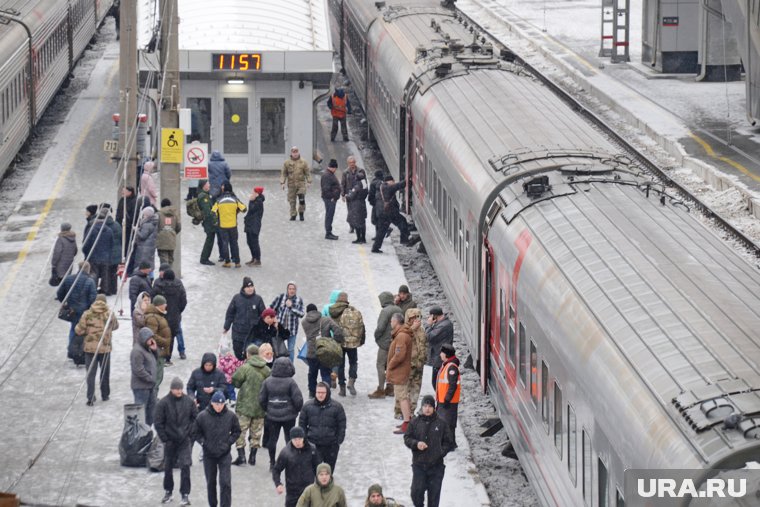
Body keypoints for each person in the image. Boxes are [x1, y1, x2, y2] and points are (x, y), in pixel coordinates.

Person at [403, 395, 455, 507]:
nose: (427, 409)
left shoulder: (441, 423)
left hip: (436, 467)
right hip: (419, 465)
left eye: (430, 406)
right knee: (416, 494)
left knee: (433, 500)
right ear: (421, 407)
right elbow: (407, 438)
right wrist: (416, 444)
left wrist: (440, 451)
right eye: (425, 406)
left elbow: (449, 442)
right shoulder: (415, 422)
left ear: (434, 408)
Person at [193, 392, 241, 507]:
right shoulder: (203, 416)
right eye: (216, 404)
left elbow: (237, 431)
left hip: (224, 454)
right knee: (211, 482)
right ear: (212, 403)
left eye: (222, 404)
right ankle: (213, 504)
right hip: (209, 455)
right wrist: (204, 443)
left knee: (225, 483)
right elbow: (195, 432)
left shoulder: (230, 416)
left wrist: (228, 443)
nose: (219, 407)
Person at [155, 377, 197, 506]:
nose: (178, 391)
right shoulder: (163, 403)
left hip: (185, 440)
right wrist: (165, 438)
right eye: (176, 389)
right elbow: (158, 422)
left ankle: (185, 494)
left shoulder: (189, 402)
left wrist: (190, 435)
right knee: (168, 467)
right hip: (170, 441)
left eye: (180, 389)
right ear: (171, 389)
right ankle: (168, 491)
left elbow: (195, 419)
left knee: (185, 466)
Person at [259, 357, 304, 469]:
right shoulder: (291, 382)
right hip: (289, 416)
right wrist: (295, 410)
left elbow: (261, 399)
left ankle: (272, 462)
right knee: (289, 439)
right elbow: (298, 400)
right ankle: (290, 460)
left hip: (272, 416)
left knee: (272, 440)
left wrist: (268, 409)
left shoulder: (267, 381)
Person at [75, 294, 118, 405]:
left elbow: (79, 330)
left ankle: (90, 397)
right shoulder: (109, 313)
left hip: (90, 349)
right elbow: (115, 326)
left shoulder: (87, 314)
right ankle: (105, 395)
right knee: (104, 372)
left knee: (90, 374)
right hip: (105, 348)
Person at [232, 344, 270, 466]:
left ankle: (241, 456)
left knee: (240, 432)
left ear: (248, 354)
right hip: (260, 407)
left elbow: (236, 382)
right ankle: (252, 457)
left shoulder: (245, 368)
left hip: (244, 406)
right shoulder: (266, 369)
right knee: (256, 433)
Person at [298, 382, 346, 472]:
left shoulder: (337, 407)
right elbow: (302, 424)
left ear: (327, 393)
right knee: (314, 471)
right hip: (313, 444)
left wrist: (338, 441)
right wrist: (305, 440)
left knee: (329, 471)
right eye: (318, 392)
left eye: (323, 393)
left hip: (331, 446)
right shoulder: (307, 406)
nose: (320, 395)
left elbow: (342, 425)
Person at [301, 303, 343, 398]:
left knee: (312, 373)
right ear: (317, 310)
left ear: (307, 312)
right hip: (325, 351)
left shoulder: (304, 322)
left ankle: (312, 393)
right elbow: (337, 330)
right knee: (325, 373)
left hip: (311, 352)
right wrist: (334, 341)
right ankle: (326, 393)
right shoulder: (326, 319)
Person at [328, 292, 365, 397]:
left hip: (339, 342)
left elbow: (331, 326)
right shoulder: (352, 310)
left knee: (340, 365)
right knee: (353, 362)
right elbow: (362, 326)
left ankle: (342, 388)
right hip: (352, 342)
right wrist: (361, 340)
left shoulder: (333, 311)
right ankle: (351, 381)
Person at [273, 426, 320, 507]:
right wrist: (278, 484)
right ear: (291, 439)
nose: (298, 442)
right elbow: (276, 469)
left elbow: (319, 468)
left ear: (303, 438)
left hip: (308, 489)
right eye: (295, 439)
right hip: (292, 491)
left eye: (300, 439)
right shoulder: (286, 452)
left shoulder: (312, 450)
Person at [57, 261, 97, 353]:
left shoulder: (68, 279)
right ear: (88, 269)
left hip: (72, 309)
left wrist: (66, 303)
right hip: (85, 311)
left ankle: (72, 350)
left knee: (73, 329)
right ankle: (82, 351)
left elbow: (59, 293)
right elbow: (93, 297)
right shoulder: (90, 281)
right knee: (85, 331)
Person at [369, 291, 402, 399]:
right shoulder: (399, 309)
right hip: (396, 341)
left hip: (385, 344)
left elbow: (380, 327)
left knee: (380, 365)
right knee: (391, 365)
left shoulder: (385, 311)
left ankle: (381, 389)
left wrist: (376, 336)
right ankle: (390, 387)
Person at [223, 276, 266, 360]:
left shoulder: (258, 299)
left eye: (251, 286)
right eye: (247, 287)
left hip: (252, 334)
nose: (250, 289)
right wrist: (226, 327)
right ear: (244, 288)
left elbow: (263, 316)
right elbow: (230, 313)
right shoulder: (236, 298)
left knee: (251, 354)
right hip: (238, 333)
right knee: (238, 354)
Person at [153, 268, 188, 360]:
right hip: (175, 316)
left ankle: (161, 356)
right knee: (171, 336)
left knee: (160, 335)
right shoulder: (179, 285)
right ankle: (168, 356)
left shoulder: (158, 285)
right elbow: (183, 301)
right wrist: (178, 311)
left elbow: (154, 299)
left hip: (161, 315)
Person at [387, 313, 413, 434]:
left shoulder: (401, 336)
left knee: (402, 397)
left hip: (400, 371)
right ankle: (407, 421)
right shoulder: (401, 334)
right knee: (403, 396)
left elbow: (399, 356)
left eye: (391, 321)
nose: (391, 323)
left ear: (396, 322)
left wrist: (390, 365)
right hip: (401, 371)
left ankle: (407, 423)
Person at [211, 181, 246, 268]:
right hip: (233, 225)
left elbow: (213, 211)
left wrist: (217, 217)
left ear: (223, 190)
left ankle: (227, 262)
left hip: (223, 226)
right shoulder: (235, 199)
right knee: (234, 243)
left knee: (224, 243)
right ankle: (237, 262)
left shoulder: (219, 200)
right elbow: (244, 209)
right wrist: (235, 212)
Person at [371, 175, 409, 253]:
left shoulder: (381, 187)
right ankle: (404, 240)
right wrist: (408, 179)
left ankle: (375, 248)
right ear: (389, 181)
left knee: (381, 231)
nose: (394, 182)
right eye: (393, 181)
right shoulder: (387, 187)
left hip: (382, 213)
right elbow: (400, 185)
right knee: (403, 222)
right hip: (390, 213)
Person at [270, 282, 305, 363]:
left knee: (290, 350)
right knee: (277, 348)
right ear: (287, 289)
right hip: (279, 328)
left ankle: (290, 367)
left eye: (293, 289)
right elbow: (271, 308)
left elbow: (302, 314)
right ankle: (277, 366)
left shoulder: (299, 300)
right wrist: (273, 319)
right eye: (290, 289)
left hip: (292, 330)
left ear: (296, 290)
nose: (291, 291)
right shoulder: (281, 297)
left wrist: (291, 307)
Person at [82, 207, 115, 294]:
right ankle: (105, 290)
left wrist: (86, 253)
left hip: (94, 256)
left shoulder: (91, 230)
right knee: (105, 274)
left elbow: (86, 244)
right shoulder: (109, 230)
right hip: (106, 257)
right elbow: (112, 244)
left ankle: (94, 289)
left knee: (94, 274)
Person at [131, 327, 159, 426]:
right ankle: (141, 433)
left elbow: (154, 361)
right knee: (141, 412)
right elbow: (138, 370)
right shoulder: (137, 351)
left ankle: (147, 431)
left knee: (151, 411)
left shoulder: (147, 349)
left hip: (149, 386)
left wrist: (155, 350)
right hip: (141, 387)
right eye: (149, 338)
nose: (151, 340)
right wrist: (150, 379)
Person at [144, 294, 172, 392]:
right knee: (156, 378)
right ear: (159, 305)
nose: (165, 306)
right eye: (164, 304)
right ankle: (153, 400)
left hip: (159, 352)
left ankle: (153, 399)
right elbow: (151, 336)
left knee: (158, 378)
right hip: (156, 352)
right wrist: (165, 342)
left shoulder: (157, 315)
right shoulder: (152, 317)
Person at [436, 343, 461, 446]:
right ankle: (449, 442)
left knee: (448, 423)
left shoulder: (451, 368)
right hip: (443, 400)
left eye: (442, 352)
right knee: (445, 422)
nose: (440, 354)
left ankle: (449, 443)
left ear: (446, 354)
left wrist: (447, 399)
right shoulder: (447, 365)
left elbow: (452, 385)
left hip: (448, 401)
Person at [405, 308, 428, 414]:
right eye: (413, 318)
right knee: (406, 391)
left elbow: (424, 345)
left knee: (416, 390)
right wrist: (412, 329)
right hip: (408, 366)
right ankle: (405, 413)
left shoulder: (422, 330)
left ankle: (411, 411)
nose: (416, 320)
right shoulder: (405, 330)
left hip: (419, 365)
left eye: (418, 317)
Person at [341, 156, 368, 243]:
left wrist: (357, 193)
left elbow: (365, 184)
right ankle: (352, 227)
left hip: (356, 197)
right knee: (351, 213)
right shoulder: (345, 172)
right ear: (348, 163)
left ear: (355, 162)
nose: (352, 164)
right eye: (350, 163)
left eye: (353, 162)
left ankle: (361, 236)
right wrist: (343, 194)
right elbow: (343, 184)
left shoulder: (361, 171)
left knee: (358, 217)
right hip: (351, 196)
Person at [280, 146, 311, 221]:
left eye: (296, 152)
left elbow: (307, 173)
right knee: (292, 201)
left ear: (298, 152)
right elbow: (283, 174)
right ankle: (293, 214)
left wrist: (309, 181)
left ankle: (301, 213)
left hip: (301, 184)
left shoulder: (303, 162)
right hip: (291, 185)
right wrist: (282, 183)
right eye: (294, 152)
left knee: (301, 199)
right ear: (291, 153)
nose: (295, 154)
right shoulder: (287, 163)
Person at [425, 306, 454, 384]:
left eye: (430, 316)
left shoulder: (444, 325)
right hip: (437, 356)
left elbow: (429, 337)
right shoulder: (442, 323)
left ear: (434, 316)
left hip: (439, 358)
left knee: (436, 382)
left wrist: (428, 325)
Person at [102, 205, 123, 296]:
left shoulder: (103, 227)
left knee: (106, 271)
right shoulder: (117, 225)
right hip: (117, 251)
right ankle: (114, 289)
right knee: (114, 271)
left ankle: (107, 289)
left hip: (107, 252)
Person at [197, 179, 218, 266]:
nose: (209, 184)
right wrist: (214, 221)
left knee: (210, 240)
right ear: (204, 185)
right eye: (207, 183)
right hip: (208, 222)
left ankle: (205, 258)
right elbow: (207, 211)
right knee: (209, 240)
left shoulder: (205, 195)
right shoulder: (203, 197)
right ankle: (204, 259)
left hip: (209, 222)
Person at [157, 198, 181, 268]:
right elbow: (179, 227)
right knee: (170, 260)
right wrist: (172, 232)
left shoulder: (158, 214)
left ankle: (165, 276)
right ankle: (169, 275)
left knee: (163, 260)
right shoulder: (174, 214)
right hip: (171, 239)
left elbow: (156, 226)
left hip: (161, 240)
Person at [244, 186, 265, 266]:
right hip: (250, 223)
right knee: (249, 242)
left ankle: (257, 259)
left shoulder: (258, 202)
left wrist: (251, 201)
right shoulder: (255, 200)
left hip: (254, 224)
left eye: (254, 192)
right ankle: (253, 257)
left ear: (257, 194)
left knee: (254, 242)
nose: (252, 194)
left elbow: (252, 209)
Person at [321, 159, 341, 240]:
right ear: (333, 167)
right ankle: (328, 233)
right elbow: (326, 189)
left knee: (329, 215)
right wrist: (333, 197)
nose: (335, 170)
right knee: (329, 216)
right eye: (335, 168)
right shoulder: (327, 175)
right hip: (330, 199)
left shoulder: (329, 174)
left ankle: (329, 232)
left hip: (330, 199)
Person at [116, 186, 137, 261]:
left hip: (129, 228)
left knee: (128, 245)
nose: (122, 193)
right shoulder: (122, 200)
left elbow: (134, 215)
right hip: (120, 226)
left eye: (124, 191)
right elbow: (118, 212)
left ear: (130, 192)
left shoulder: (134, 201)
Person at [134, 206, 158, 271]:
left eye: (144, 215)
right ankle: (151, 277)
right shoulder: (154, 223)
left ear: (147, 215)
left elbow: (142, 236)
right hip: (150, 247)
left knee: (143, 265)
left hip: (144, 248)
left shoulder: (147, 225)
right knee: (149, 264)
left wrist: (136, 230)